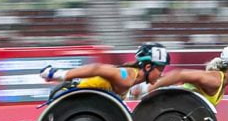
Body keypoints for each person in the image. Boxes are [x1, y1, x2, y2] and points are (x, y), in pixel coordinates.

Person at [38, 42, 170, 99]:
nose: (161, 73)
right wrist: (58, 75)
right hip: (66, 95)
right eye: (160, 69)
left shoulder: (133, 80)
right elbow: (97, 68)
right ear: (148, 67)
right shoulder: (127, 77)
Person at [146, 45, 228, 106]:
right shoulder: (215, 80)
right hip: (166, 105)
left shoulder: (222, 84)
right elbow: (179, 74)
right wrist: (150, 88)